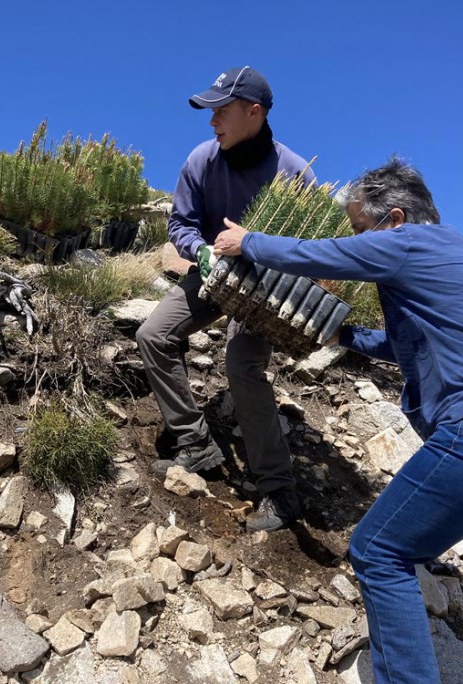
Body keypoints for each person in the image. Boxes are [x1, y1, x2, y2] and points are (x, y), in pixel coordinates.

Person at [213, 158, 463, 684]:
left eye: (361, 230)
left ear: (394, 218)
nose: (357, 241)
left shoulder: (410, 242)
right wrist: (344, 337)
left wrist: (247, 243)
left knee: (379, 551)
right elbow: (406, 344)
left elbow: (322, 256)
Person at [135, 66, 315, 532]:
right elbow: (180, 224)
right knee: (153, 334)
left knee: (242, 366)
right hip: (213, 274)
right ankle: (197, 444)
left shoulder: (294, 174)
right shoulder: (201, 160)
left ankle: (279, 490)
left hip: (265, 289)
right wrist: (202, 253)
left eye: (221, 110)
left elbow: (311, 248)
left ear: (254, 112)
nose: (212, 121)